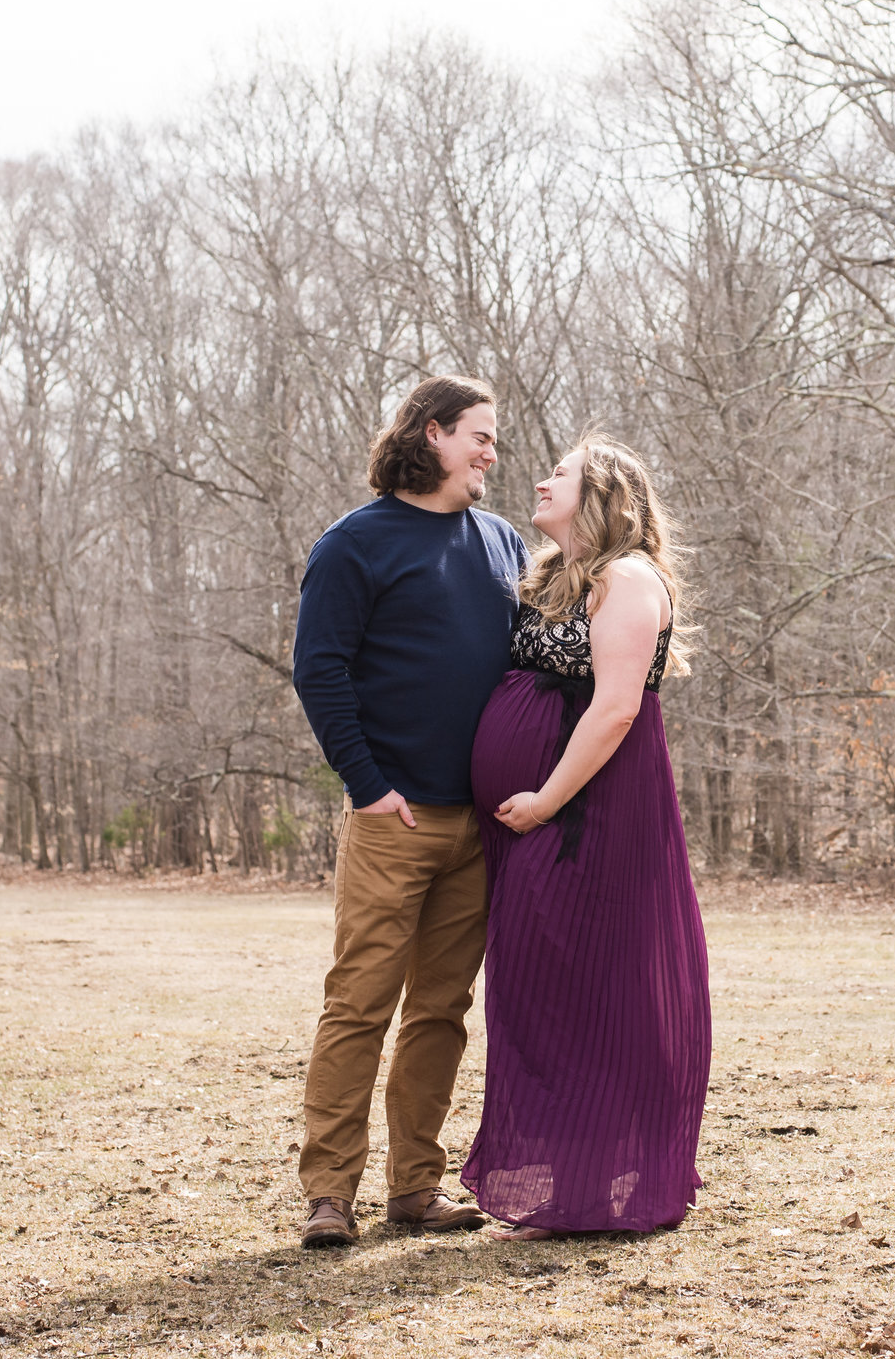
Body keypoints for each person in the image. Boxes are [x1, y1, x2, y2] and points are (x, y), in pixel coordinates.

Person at [289, 376, 528, 1249]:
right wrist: (367, 782)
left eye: (494, 439)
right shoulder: (355, 545)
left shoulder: (502, 543)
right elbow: (319, 669)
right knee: (359, 1003)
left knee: (441, 1010)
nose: (492, 452)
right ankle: (329, 1195)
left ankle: (415, 1188)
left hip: (479, 825)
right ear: (432, 434)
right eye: (480, 435)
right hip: (395, 820)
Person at [463, 438, 713, 1239]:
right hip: (541, 820)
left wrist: (542, 800)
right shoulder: (556, 575)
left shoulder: (629, 577)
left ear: (602, 494)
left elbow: (614, 708)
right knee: (544, 989)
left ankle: (598, 1191)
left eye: (560, 473)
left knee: (595, 991)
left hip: (590, 816)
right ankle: (571, 1186)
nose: (540, 480)